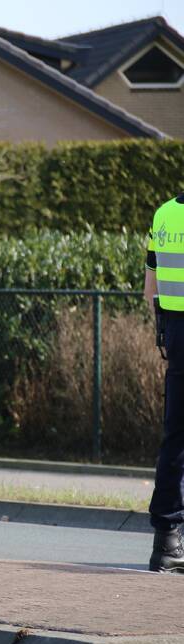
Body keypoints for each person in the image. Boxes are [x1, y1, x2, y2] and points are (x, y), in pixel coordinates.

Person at [147, 192, 184, 573]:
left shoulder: (165, 214)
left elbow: (150, 289)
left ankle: (168, 540)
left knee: (175, 437)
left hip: (175, 331)